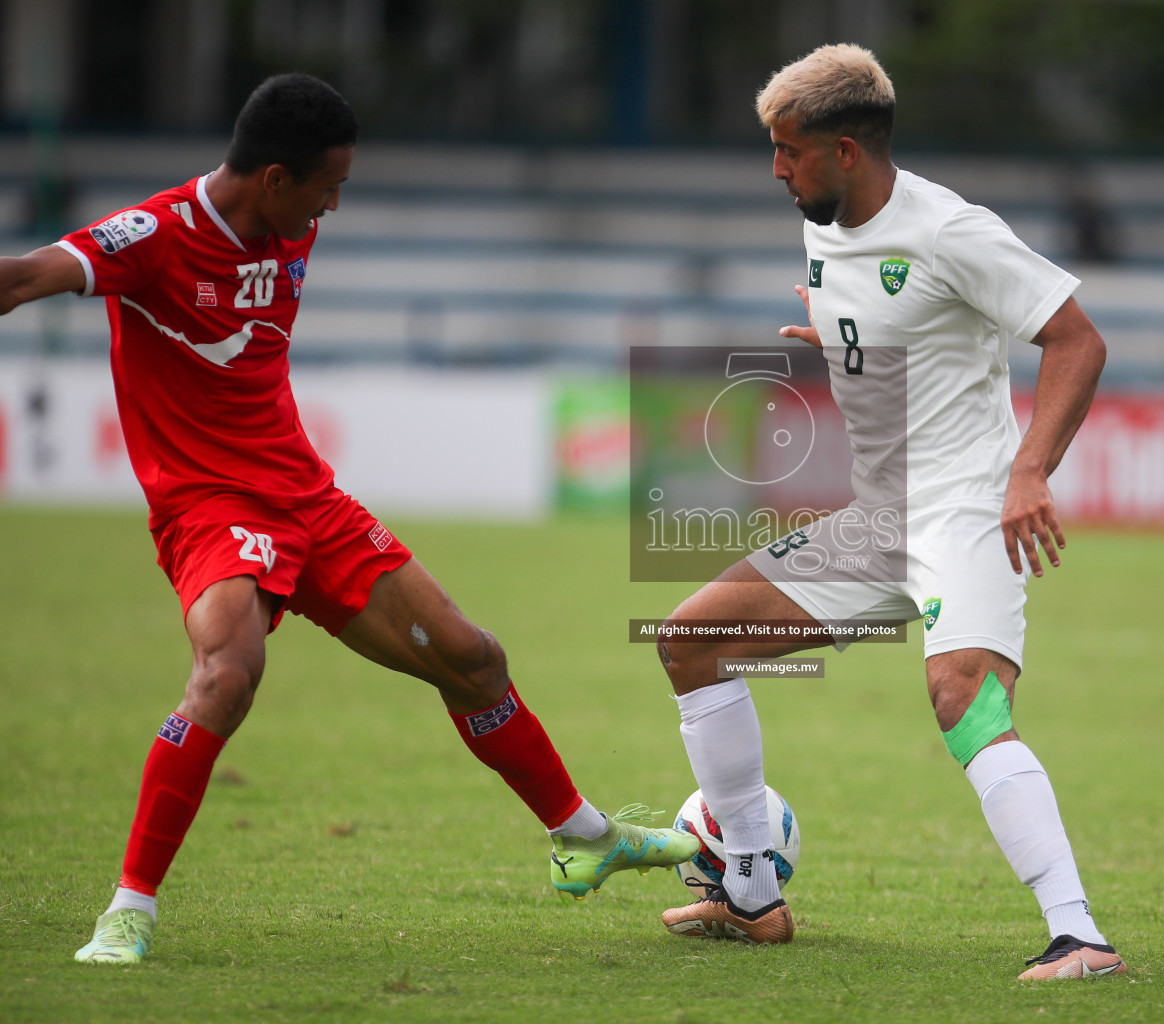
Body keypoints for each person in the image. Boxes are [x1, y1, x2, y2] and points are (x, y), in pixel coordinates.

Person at [0, 73, 697, 966]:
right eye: (328, 186)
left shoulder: (294, 220)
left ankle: (586, 837)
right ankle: (128, 909)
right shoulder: (157, 236)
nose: (335, 205)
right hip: (210, 506)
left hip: (306, 497)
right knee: (226, 675)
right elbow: (22, 277)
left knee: (475, 659)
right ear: (274, 178)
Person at [653, 45, 1125, 981]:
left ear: (847, 152)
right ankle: (750, 893)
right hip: (878, 522)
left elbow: (1078, 339)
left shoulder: (952, 230)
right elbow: (892, 321)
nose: (777, 170)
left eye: (789, 151)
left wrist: (1031, 470)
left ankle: (1080, 936)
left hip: (963, 514)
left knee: (963, 698)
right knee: (689, 640)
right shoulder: (826, 220)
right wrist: (838, 339)